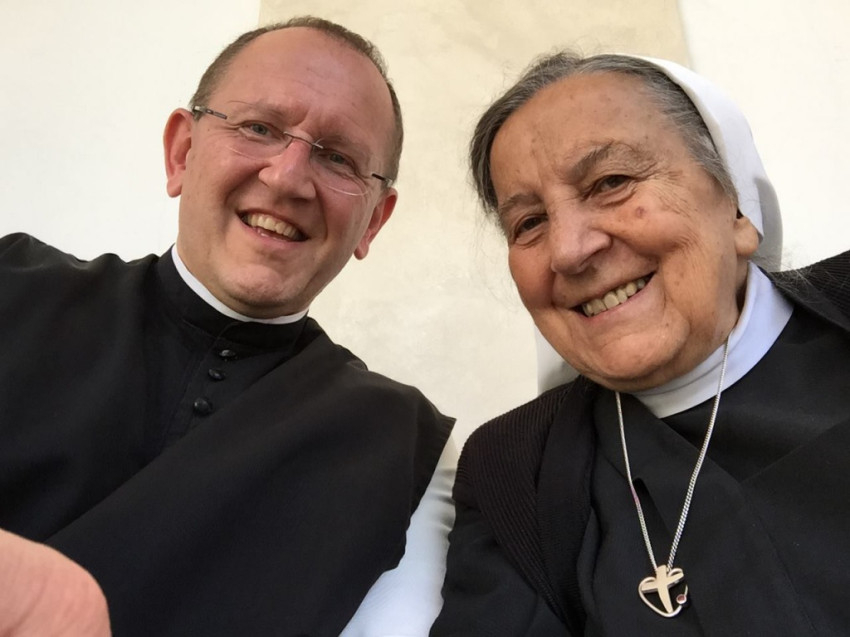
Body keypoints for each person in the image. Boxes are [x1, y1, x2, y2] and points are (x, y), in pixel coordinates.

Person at [0, 16, 455, 637]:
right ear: (182, 152)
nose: (288, 178)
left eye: (338, 158)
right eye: (259, 128)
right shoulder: (12, 286)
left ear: (373, 221)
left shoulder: (404, 449)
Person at [432, 51, 850, 636]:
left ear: (736, 207)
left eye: (611, 182)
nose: (569, 250)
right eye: (529, 223)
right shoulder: (515, 471)